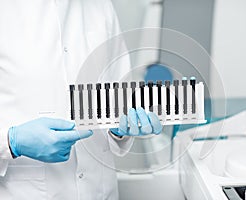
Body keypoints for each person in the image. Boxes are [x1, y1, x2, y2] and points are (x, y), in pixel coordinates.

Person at [0, 1, 162, 199]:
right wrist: (10, 142)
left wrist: (119, 129)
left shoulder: (101, 6)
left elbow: (119, 96)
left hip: (100, 192)